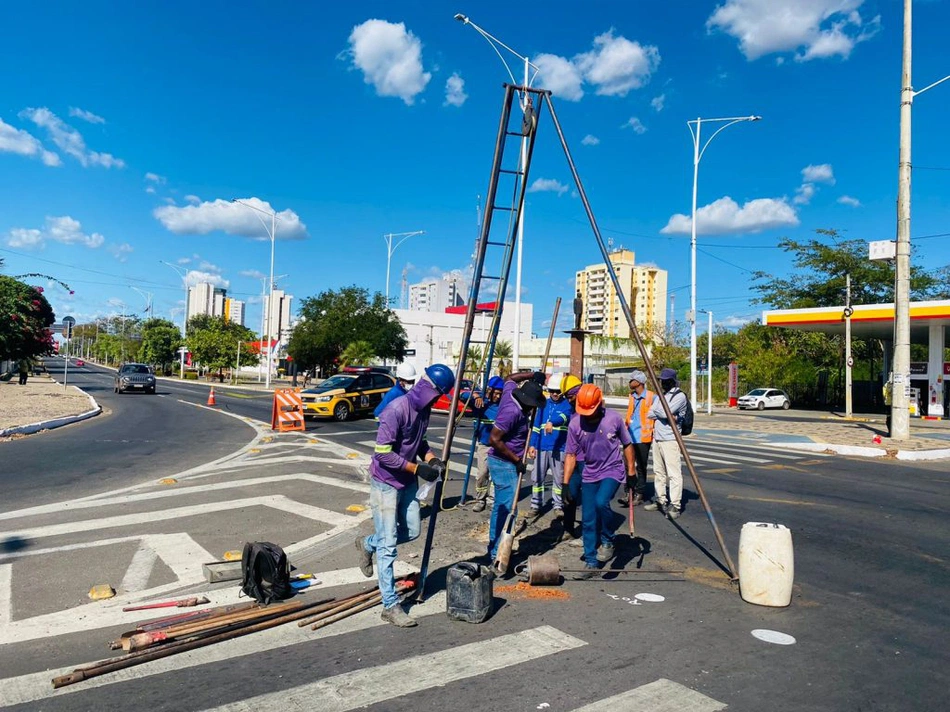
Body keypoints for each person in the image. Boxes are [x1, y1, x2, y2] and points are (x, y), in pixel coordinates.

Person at [355, 363, 454, 627]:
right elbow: (383, 454)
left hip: (407, 482)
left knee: (411, 531)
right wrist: (416, 467)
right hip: (385, 483)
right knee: (388, 547)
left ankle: (367, 544)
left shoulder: (424, 410)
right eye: (438, 394)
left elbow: (420, 443)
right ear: (427, 387)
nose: (437, 400)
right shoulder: (395, 410)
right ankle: (390, 606)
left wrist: (432, 460)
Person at [562, 384, 634, 579]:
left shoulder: (613, 419)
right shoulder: (575, 424)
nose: (588, 416)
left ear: (600, 403)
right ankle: (591, 563)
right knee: (588, 518)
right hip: (590, 472)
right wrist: (566, 484)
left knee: (601, 502)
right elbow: (570, 455)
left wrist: (632, 471)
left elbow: (627, 444)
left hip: (612, 469)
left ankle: (608, 539)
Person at [486, 371, 547, 562]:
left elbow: (510, 379)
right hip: (503, 462)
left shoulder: (511, 391)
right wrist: (516, 460)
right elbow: (494, 439)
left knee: (503, 506)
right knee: (506, 508)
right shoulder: (511, 412)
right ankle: (497, 552)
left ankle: (495, 547)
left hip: (507, 461)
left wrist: (532, 375)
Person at [644, 367, 689, 519]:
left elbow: (662, 413)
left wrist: (662, 413)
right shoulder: (661, 396)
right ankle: (660, 499)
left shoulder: (679, 396)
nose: (662, 383)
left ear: (671, 381)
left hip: (671, 438)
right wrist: (664, 413)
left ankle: (675, 505)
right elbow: (651, 413)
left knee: (674, 473)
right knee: (658, 471)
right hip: (658, 437)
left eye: (664, 380)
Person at [527, 373, 571, 515]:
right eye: (552, 391)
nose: (554, 394)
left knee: (558, 479)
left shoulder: (567, 405)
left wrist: (553, 422)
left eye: (557, 392)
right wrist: (532, 445)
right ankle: (536, 505)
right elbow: (536, 426)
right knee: (537, 478)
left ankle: (557, 505)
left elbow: (564, 417)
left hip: (559, 448)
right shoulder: (543, 405)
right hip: (541, 447)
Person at [619, 370, 658, 508]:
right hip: (629, 436)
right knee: (627, 466)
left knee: (641, 467)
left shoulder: (652, 397)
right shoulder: (632, 396)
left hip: (643, 437)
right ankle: (628, 492)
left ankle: (639, 494)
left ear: (639, 382)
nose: (630, 382)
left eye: (632, 380)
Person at [470, 376, 505, 512]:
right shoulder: (481, 403)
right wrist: (475, 395)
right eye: (495, 393)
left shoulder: (502, 407)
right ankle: (480, 499)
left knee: (496, 473)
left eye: (499, 394)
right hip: (484, 444)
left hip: (498, 445)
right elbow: (462, 396)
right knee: (482, 473)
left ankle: (492, 499)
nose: (497, 396)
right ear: (489, 391)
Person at [557, 374, 584, 539]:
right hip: (573, 458)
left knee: (590, 499)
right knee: (569, 494)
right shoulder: (571, 409)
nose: (568, 400)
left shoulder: (591, 406)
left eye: (569, 396)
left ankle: (593, 533)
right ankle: (568, 529)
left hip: (589, 461)